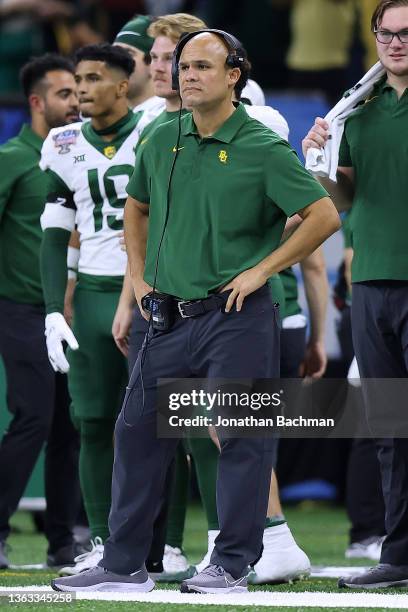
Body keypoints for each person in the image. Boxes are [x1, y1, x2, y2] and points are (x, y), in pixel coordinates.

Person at [51, 28, 339, 595]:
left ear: (235, 75)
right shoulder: (161, 136)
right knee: (135, 434)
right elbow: (136, 208)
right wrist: (137, 278)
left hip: (237, 315)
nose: (189, 75)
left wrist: (262, 269)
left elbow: (324, 215)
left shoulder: (261, 144)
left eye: (203, 66)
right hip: (165, 316)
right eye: (184, 66)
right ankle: (125, 564)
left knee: (240, 438)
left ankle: (232, 563)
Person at [302, 0, 408, 590]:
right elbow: (340, 202)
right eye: (385, 33)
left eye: (405, 34)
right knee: (392, 430)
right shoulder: (358, 111)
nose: (394, 43)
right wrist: (318, 156)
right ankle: (399, 555)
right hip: (371, 282)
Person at [38, 43, 148, 577]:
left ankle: (167, 543)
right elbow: (53, 236)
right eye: (76, 79)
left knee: (163, 423)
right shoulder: (62, 143)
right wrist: (51, 307)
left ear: (123, 85)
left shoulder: (156, 129)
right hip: (93, 293)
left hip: (150, 291)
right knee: (95, 422)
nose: (80, 88)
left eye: (93, 78)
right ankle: (104, 539)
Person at [0, 53, 81, 569]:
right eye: (64, 94)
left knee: (70, 427)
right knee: (32, 416)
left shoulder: (76, 155)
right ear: (36, 102)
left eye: (78, 92)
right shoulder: (12, 157)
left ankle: (62, 541)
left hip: (68, 312)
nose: (75, 102)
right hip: (21, 308)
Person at [113, 14, 165, 116]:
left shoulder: (171, 119)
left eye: (128, 53)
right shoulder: (100, 118)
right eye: (113, 52)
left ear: (153, 62)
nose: (116, 60)